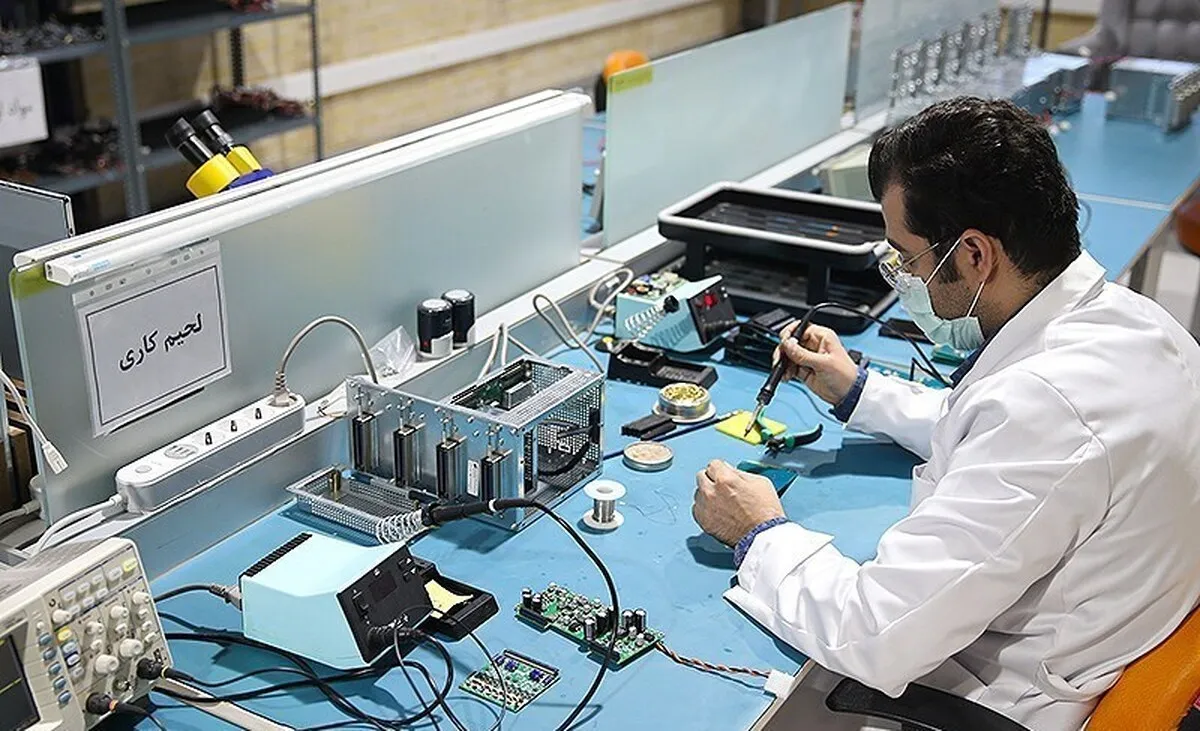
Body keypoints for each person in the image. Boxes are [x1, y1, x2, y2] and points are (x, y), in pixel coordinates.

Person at [691, 96, 1200, 731]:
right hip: (1107, 641)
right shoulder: (1139, 324)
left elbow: (876, 632)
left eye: (907, 257)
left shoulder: (1045, 412)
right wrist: (859, 392)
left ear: (974, 254)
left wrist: (758, 533)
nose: (904, 276)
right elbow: (1008, 442)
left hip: (1009, 701)